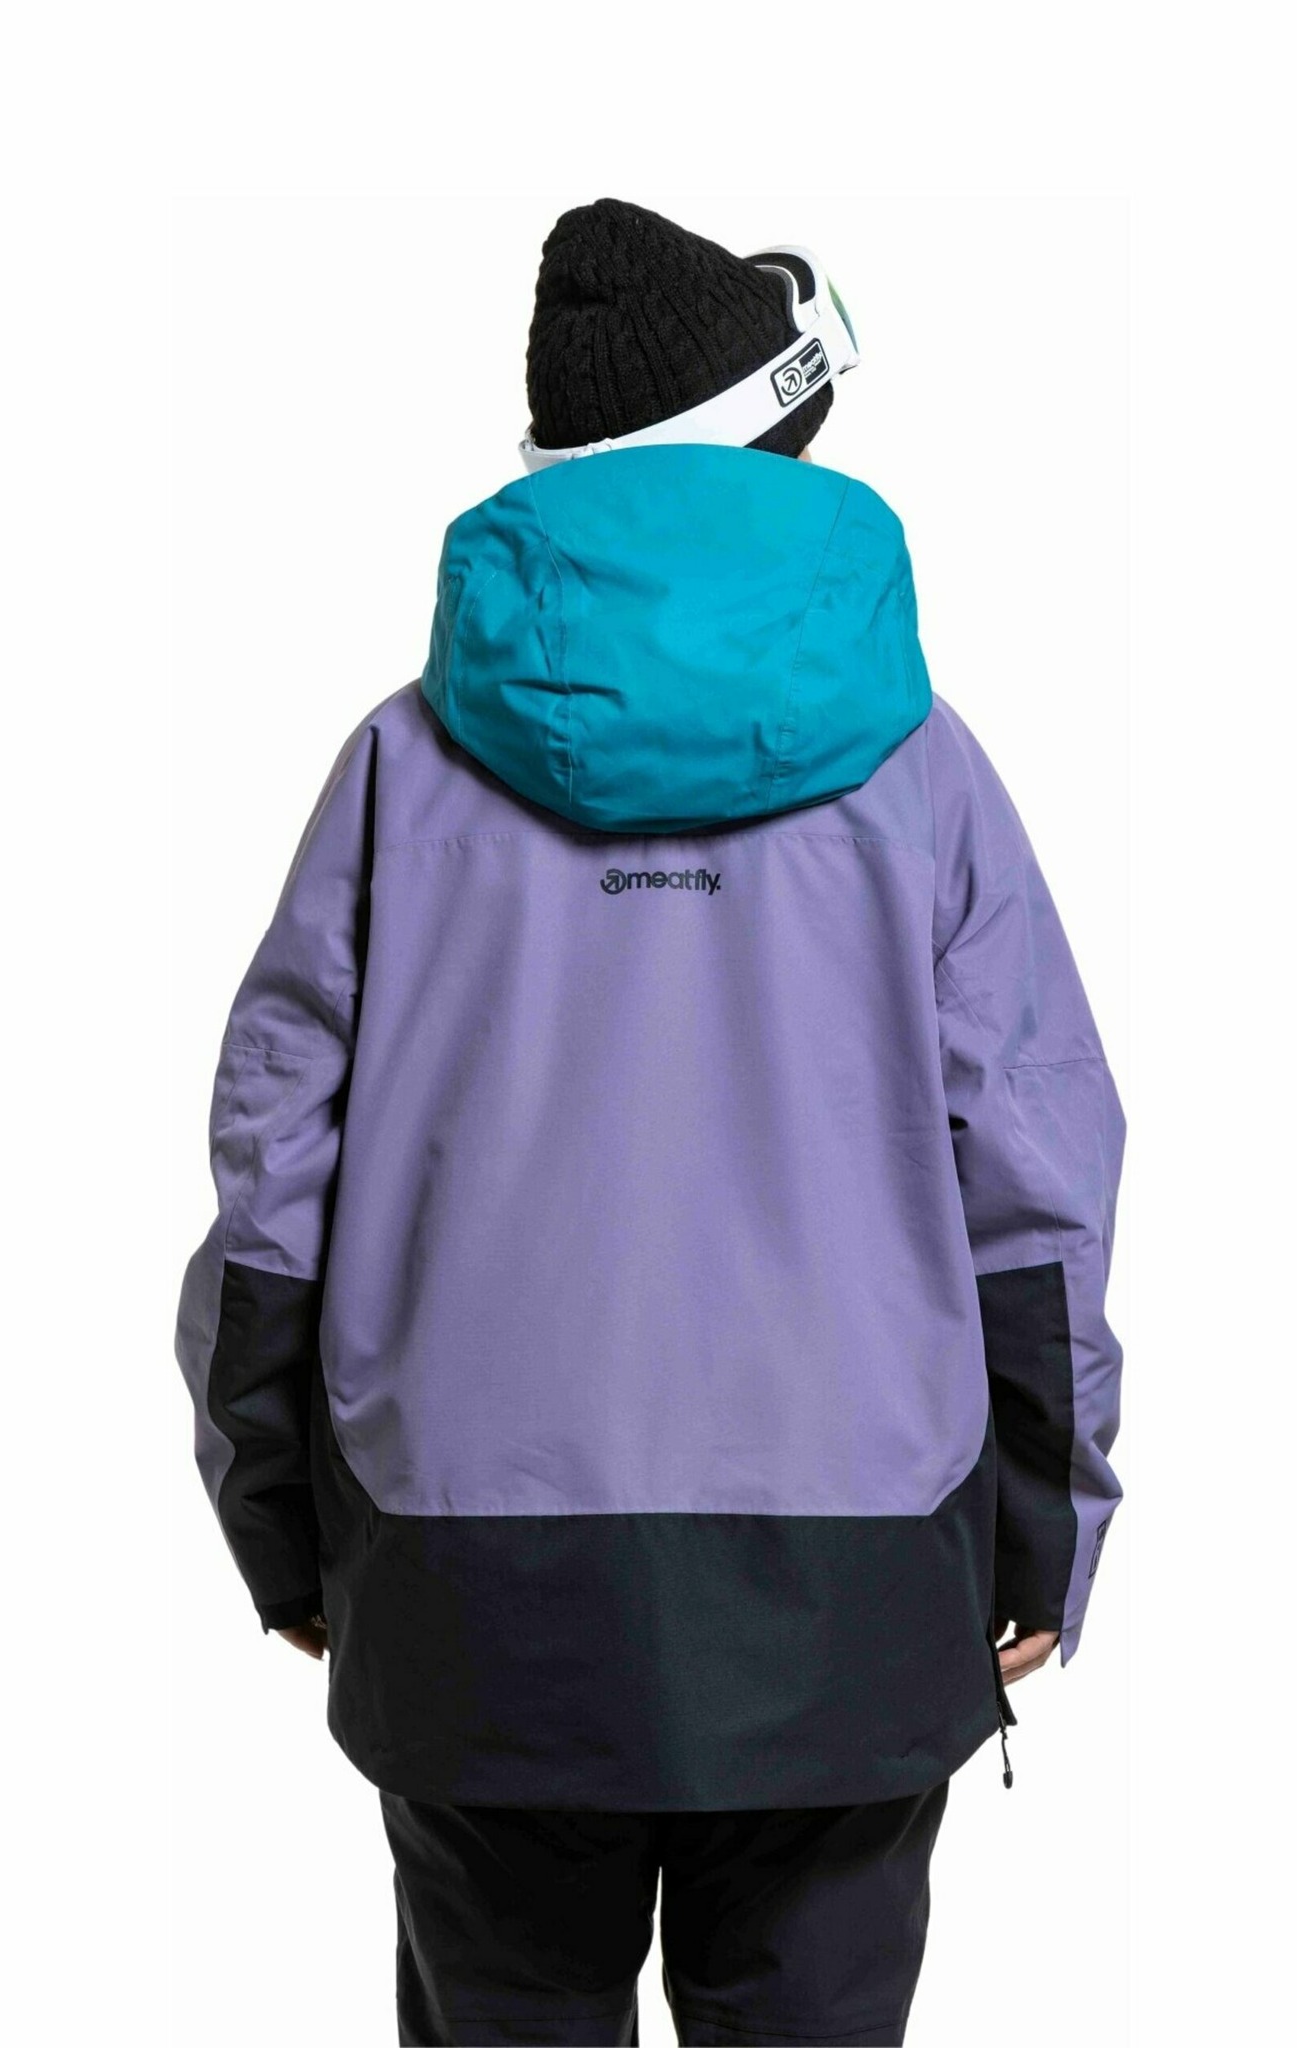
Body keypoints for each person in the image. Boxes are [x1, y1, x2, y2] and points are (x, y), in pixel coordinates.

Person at [174, 196, 1126, 2047]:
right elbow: (1038, 1183)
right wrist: (1037, 1532)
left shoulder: (399, 767)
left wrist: (279, 1521)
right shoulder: (923, 774)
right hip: (854, 1590)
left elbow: (273, 1174)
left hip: (471, 1590)